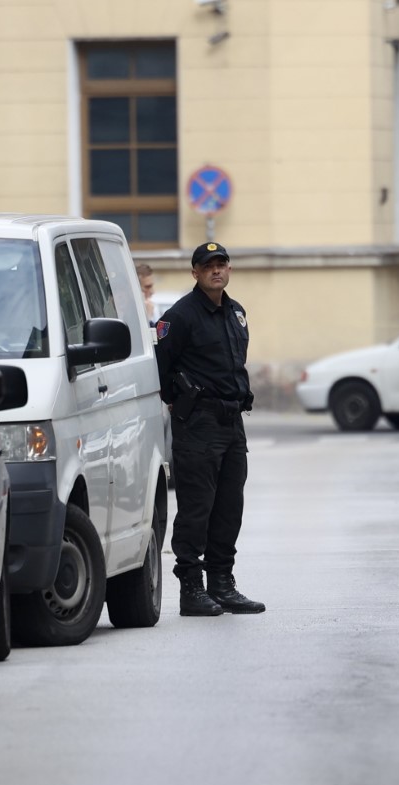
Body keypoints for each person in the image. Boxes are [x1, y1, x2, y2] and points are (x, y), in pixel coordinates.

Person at [154, 242, 264, 617]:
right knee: (196, 509)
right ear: (195, 273)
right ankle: (191, 589)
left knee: (229, 507)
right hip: (198, 423)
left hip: (232, 422)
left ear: (229, 269)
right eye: (208, 266)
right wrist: (178, 401)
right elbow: (161, 367)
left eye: (221, 264)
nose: (216, 270)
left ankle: (222, 583)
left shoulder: (236, 312)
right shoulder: (180, 316)